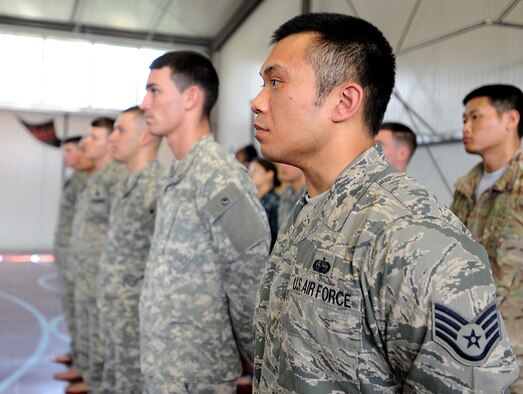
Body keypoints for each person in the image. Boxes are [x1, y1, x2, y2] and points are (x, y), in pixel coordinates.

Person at [250, 13, 519, 393]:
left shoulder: (411, 236)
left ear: (344, 101)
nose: (258, 101)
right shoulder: (311, 210)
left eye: (276, 82)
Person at [139, 50, 270, 393]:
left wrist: (258, 357)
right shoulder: (181, 173)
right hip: (167, 366)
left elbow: (250, 272)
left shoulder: (219, 176)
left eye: (154, 91)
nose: (144, 104)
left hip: (197, 375)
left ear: (191, 97)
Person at [450, 84, 523, 393]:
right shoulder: (467, 187)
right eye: (464, 119)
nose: (466, 127)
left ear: (511, 120)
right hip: (470, 343)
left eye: (476, 117)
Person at [95, 106, 163, 394]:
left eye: (120, 131)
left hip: (136, 323)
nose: (112, 139)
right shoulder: (128, 183)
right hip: (116, 315)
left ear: (145, 136)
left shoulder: (157, 187)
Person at [66, 117, 127, 394]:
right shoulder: (94, 177)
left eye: (94, 138)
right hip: (86, 269)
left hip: (103, 274)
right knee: (88, 327)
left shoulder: (118, 179)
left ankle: (98, 383)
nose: (85, 143)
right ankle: (90, 378)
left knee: (102, 335)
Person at [52, 135, 86, 368]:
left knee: (80, 313)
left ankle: (82, 363)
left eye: (70, 150)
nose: (67, 156)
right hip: (67, 255)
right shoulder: (75, 179)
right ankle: (76, 354)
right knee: (71, 309)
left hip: (78, 257)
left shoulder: (85, 180)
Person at [249, 157, 281, 250]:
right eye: (250, 170)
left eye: (255, 170)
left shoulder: (275, 202)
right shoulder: (256, 199)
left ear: (269, 175)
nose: (251, 174)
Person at [277, 163, 305, 227]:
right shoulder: (284, 194)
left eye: (289, 163)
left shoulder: (311, 195)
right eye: (282, 163)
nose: (283, 166)